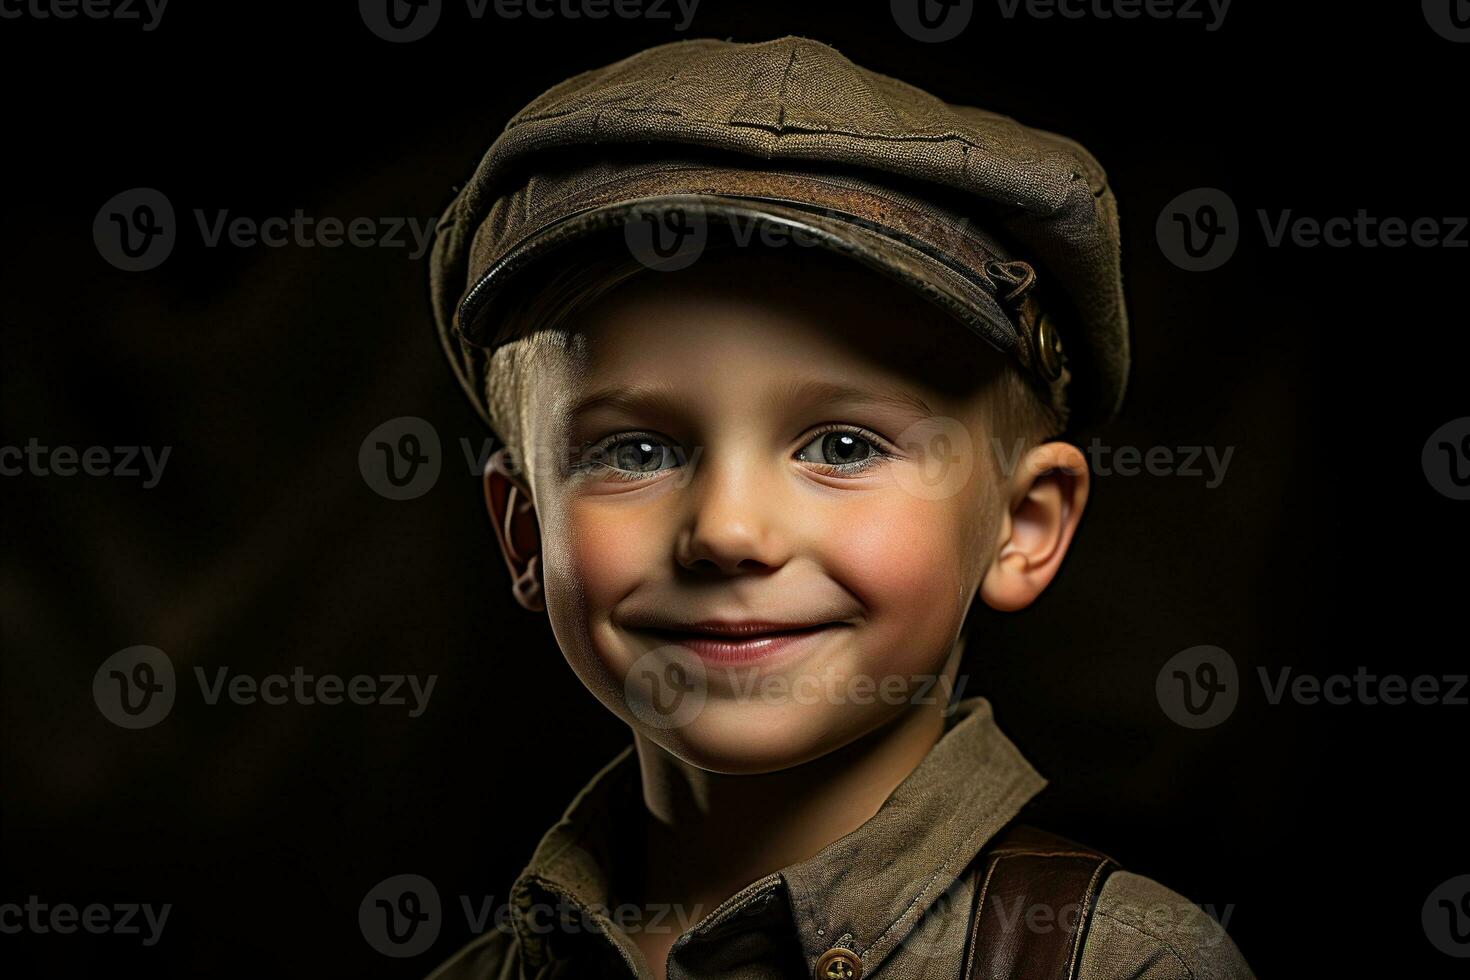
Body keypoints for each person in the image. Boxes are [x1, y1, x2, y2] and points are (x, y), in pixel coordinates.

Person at [423, 35, 1255, 980]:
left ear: (1024, 524)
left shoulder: (1119, 967)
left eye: (844, 446)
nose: (729, 532)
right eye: (637, 451)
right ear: (526, 532)